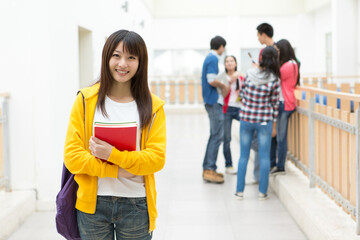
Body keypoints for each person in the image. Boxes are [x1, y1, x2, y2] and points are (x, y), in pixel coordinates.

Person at [64, 30, 166, 240]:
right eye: (116, 55)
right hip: (93, 205)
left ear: (141, 63)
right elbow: (72, 157)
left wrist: (113, 155)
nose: (123, 64)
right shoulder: (85, 100)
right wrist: (117, 171)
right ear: (107, 57)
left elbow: (156, 159)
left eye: (131, 57)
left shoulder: (153, 107)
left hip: (136, 204)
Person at [235, 46, 280, 200]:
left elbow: (241, 94)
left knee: (243, 156)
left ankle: (239, 191)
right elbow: (274, 104)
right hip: (264, 120)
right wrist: (274, 124)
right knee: (265, 156)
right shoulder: (274, 79)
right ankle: (262, 192)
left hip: (246, 118)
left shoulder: (249, 73)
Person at [270, 39, 300, 175]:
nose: (276, 53)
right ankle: (278, 163)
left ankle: (280, 166)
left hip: (285, 103)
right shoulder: (291, 63)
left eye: (277, 50)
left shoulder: (289, 65)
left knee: (281, 137)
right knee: (278, 136)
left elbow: (274, 77)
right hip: (284, 102)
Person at [201, 35, 228, 183]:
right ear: (221, 47)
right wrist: (223, 85)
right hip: (213, 102)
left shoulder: (209, 58)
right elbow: (211, 80)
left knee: (214, 135)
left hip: (210, 101)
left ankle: (208, 168)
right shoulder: (213, 58)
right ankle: (210, 168)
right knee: (217, 136)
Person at [252, 22, 276, 183]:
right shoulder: (267, 51)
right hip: (266, 110)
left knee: (263, 144)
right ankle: (260, 177)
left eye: (258, 35)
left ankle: (262, 177)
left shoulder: (275, 50)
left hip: (265, 110)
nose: (257, 38)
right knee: (262, 144)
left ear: (263, 34)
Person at [216, 56, 242, 175]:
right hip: (226, 109)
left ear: (236, 63)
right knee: (226, 138)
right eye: (227, 61)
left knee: (249, 133)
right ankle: (229, 165)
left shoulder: (241, 76)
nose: (229, 63)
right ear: (225, 64)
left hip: (240, 108)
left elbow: (245, 92)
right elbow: (223, 93)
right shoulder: (221, 77)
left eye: (232, 61)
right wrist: (230, 80)